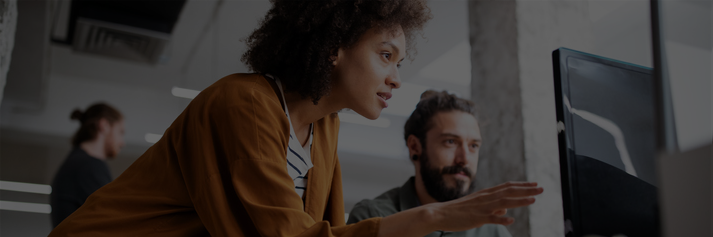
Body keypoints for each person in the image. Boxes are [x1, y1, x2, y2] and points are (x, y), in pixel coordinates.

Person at [50, 1, 542, 236]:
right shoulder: (242, 104)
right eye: (386, 55)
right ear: (332, 48)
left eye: (400, 63)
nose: (395, 78)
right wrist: (434, 216)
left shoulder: (324, 129)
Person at [347, 90, 513, 236]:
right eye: (450, 142)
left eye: (473, 146)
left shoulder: (491, 228)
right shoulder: (372, 218)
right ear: (415, 147)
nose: (464, 159)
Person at [50, 102, 125, 227]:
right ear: (104, 125)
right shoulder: (88, 165)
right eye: (120, 132)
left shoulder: (78, 162)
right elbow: (112, 220)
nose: (122, 143)